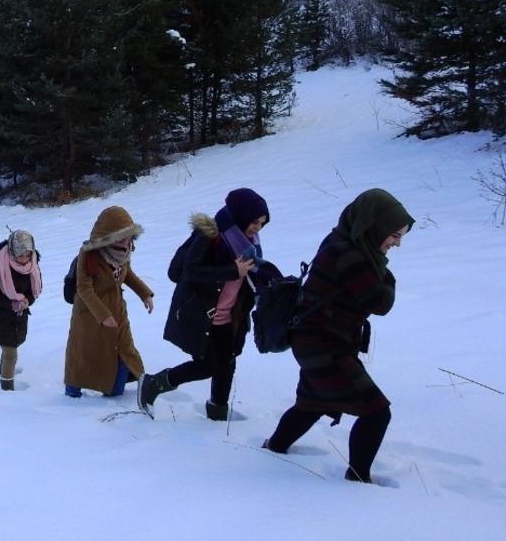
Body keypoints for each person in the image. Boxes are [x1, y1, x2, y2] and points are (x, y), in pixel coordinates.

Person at [263, 189, 413, 484]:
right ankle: (357, 480)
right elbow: (380, 302)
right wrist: (386, 274)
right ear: (375, 226)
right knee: (376, 412)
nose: (396, 244)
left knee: (313, 403)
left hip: (318, 341)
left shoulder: (344, 242)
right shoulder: (349, 254)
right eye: (394, 235)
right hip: (324, 346)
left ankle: (274, 448)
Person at [139, 188, 272, 420]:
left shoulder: (249, 243)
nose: (258, 227)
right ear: (241, 215)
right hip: (203, 315)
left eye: (262, 223)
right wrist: (233, 270)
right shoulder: (211, 234)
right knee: (207, 366)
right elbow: (190, 271)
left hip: (231, 316)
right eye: (254, 221)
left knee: (227, 363)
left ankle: (218, 412)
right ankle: (154, 383)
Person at [64, 206, 154, 398]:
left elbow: (127, 274)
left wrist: (145, 294)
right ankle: (73, 390)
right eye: (120, 237)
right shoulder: (89, 254)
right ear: (107, 236)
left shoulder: (124, 251)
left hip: (117, 309)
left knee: (124, 348)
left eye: (128, 236)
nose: (125, 242)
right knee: (83, 352)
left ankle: (132, 384)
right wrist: (103, 316)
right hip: (89, 313)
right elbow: (84, 288)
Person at [0, 230, 42, 391]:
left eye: (28, 255)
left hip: (19, 317)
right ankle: (7, 391)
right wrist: (11, 304)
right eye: (21, 255)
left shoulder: (33, 264)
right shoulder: (0, 264)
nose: (25, 259)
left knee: (9, 347)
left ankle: (2, 373)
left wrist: (28, 301)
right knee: (11, 354)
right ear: (12, 252)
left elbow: (35, 289)